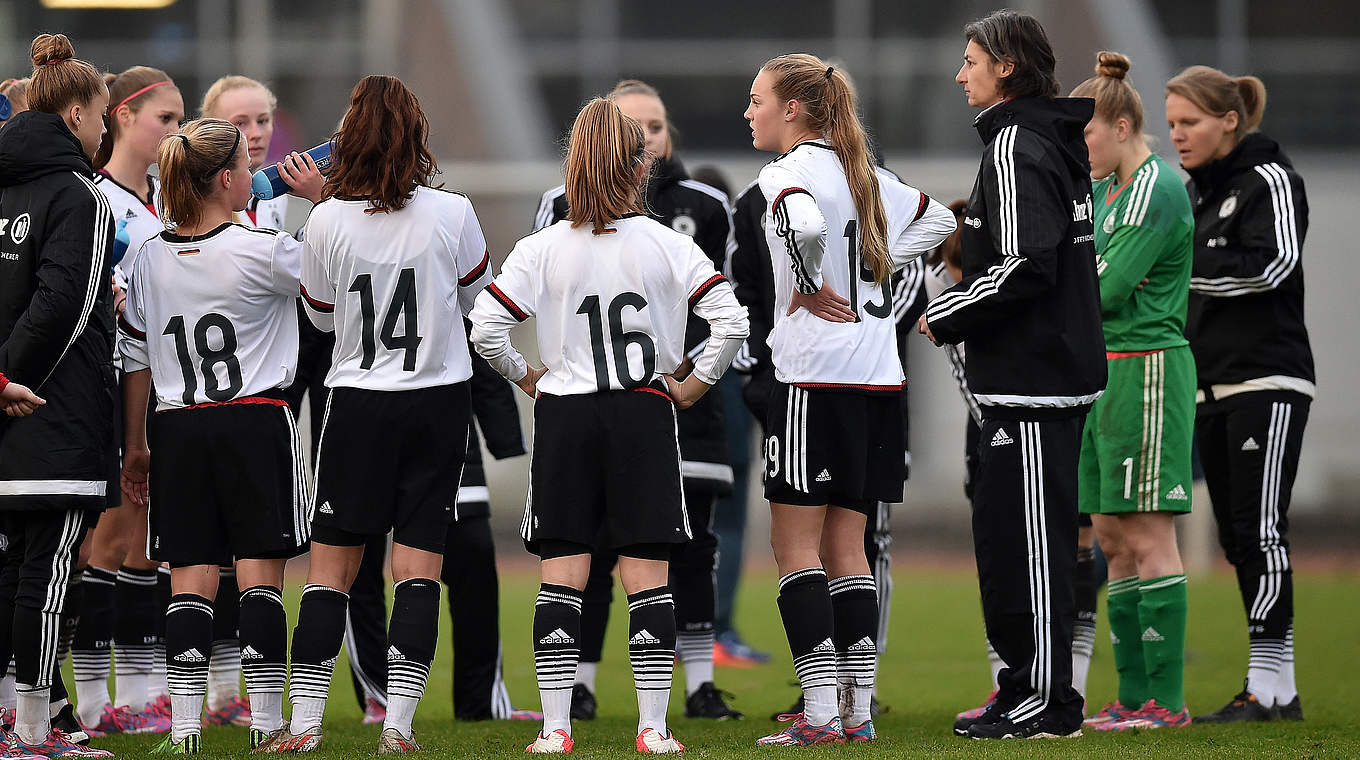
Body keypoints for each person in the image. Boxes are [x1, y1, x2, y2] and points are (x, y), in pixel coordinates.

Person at [470, 97, 748, 755]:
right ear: (638, 166)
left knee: (562, 570)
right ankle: (653, 727)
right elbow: (732, 322)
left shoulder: (542, 246)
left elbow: (485, 326)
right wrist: (694, 383)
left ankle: (555, 728)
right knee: (646, 571)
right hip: (644, 412)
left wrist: (526, 375)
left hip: (566, 413)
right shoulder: (668, 243)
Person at [256, 75, 494, 756]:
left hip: (359, 402)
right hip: (439, 401)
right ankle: (399, 728)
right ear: (417, 137)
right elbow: (475, 291)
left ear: (348, 139)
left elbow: (320, 314)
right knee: (418, 569)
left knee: (330, 570)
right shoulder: (453, 211)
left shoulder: (325, 218)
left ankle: (302, 727)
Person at [744, 54, 955, 746]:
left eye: (758, 101)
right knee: (850, 545)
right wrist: (880, 266)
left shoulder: (787, 173)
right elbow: (938, 223)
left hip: (812, 376)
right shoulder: (865, 175)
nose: (751, 113)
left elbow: (802, 227)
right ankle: (857, 712)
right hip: (874, 381)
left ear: (794, 110)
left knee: (793, 546)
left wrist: (806, 282)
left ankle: (818, 713)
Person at [919, 10, 1106, 740]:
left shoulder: (1018, 142)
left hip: (1035, 382)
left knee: (1034, 551)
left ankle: (1049, 702)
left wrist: (952, 310)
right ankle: (1022, 687)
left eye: (970, 60)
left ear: (1006, 67)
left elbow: (1029, 265)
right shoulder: (1038, 139)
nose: (960, 73)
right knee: (1013, 545)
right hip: (1034, 378)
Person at [117, 117, 317, 754]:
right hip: (255, 420)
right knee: (260, 576)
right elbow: (333, 289)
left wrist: (136, 443)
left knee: (189, 577)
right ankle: (264, 726)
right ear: (230, 180)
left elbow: (137, 352)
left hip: (176, 426)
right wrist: (319, 199)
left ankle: (181, 732)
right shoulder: (264, 249)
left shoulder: (148, 254)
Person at [1166, 65, 1313, 724]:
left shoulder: (1271, 180)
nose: (1178, 136)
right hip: (1210, 386)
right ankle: (1273, 690)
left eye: (1189, 122)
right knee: (1234, 534)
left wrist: (1183, 276)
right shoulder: (1193, 194)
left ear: (1229, 120)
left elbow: (1274, 265)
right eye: (1170, 124)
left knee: (1260, 530)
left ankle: (1272, 684)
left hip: (1267, 379)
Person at [1068, 52, 1197, 731]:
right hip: (1103, 372)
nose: (1076, 147)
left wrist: (1061, 286)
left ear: (1119, 126)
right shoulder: (1104, 189)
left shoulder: (1156, 186)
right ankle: (1130, 696)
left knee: (1148, 535)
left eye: (1083, 133)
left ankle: (1165, 702)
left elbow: (1104, 288)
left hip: (1146, 369)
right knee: (1112, 537)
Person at [0, 32, 116, 758]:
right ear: (75, 115)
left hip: (7, 406)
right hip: (51, 411)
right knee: (47, 575)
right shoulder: (80, 195)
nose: (104, 130)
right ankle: (38, 733)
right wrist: (14, 379)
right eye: (103, 116)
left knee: (10, 570)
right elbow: (66, 305)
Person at [196, 73, 322, 734]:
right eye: (239, 123)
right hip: (203, 395)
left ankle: (242, 694)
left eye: (262, 121)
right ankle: (211, 686)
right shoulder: (183, 202)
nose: (254, 134)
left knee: (252, 548)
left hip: (265, 388)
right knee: (201, 550)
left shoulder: (274, 199)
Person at [75, 65, 184, 738]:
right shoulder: (96, 196)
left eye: (179, 121)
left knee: (148, 541)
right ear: (120, 116)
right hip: (114, 383)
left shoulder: (166, 198)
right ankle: (90, 699)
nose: (173, 131)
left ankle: (141, 693)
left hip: (167, 382)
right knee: (109, 538)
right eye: (164, 119)